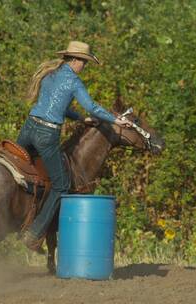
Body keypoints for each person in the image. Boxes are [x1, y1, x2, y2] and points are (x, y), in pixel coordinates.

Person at [17, 41, 132, 250]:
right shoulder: (75, 82)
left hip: (28, 128)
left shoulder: (50, 74)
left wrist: (80, 119)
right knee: (60, 185)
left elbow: (57, 104)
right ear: (76, 60)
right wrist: (116, 121)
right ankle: (34, 234)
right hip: (46, 134)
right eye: (85, 63)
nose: (84, 67)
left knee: (23, 170)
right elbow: (91, 106)